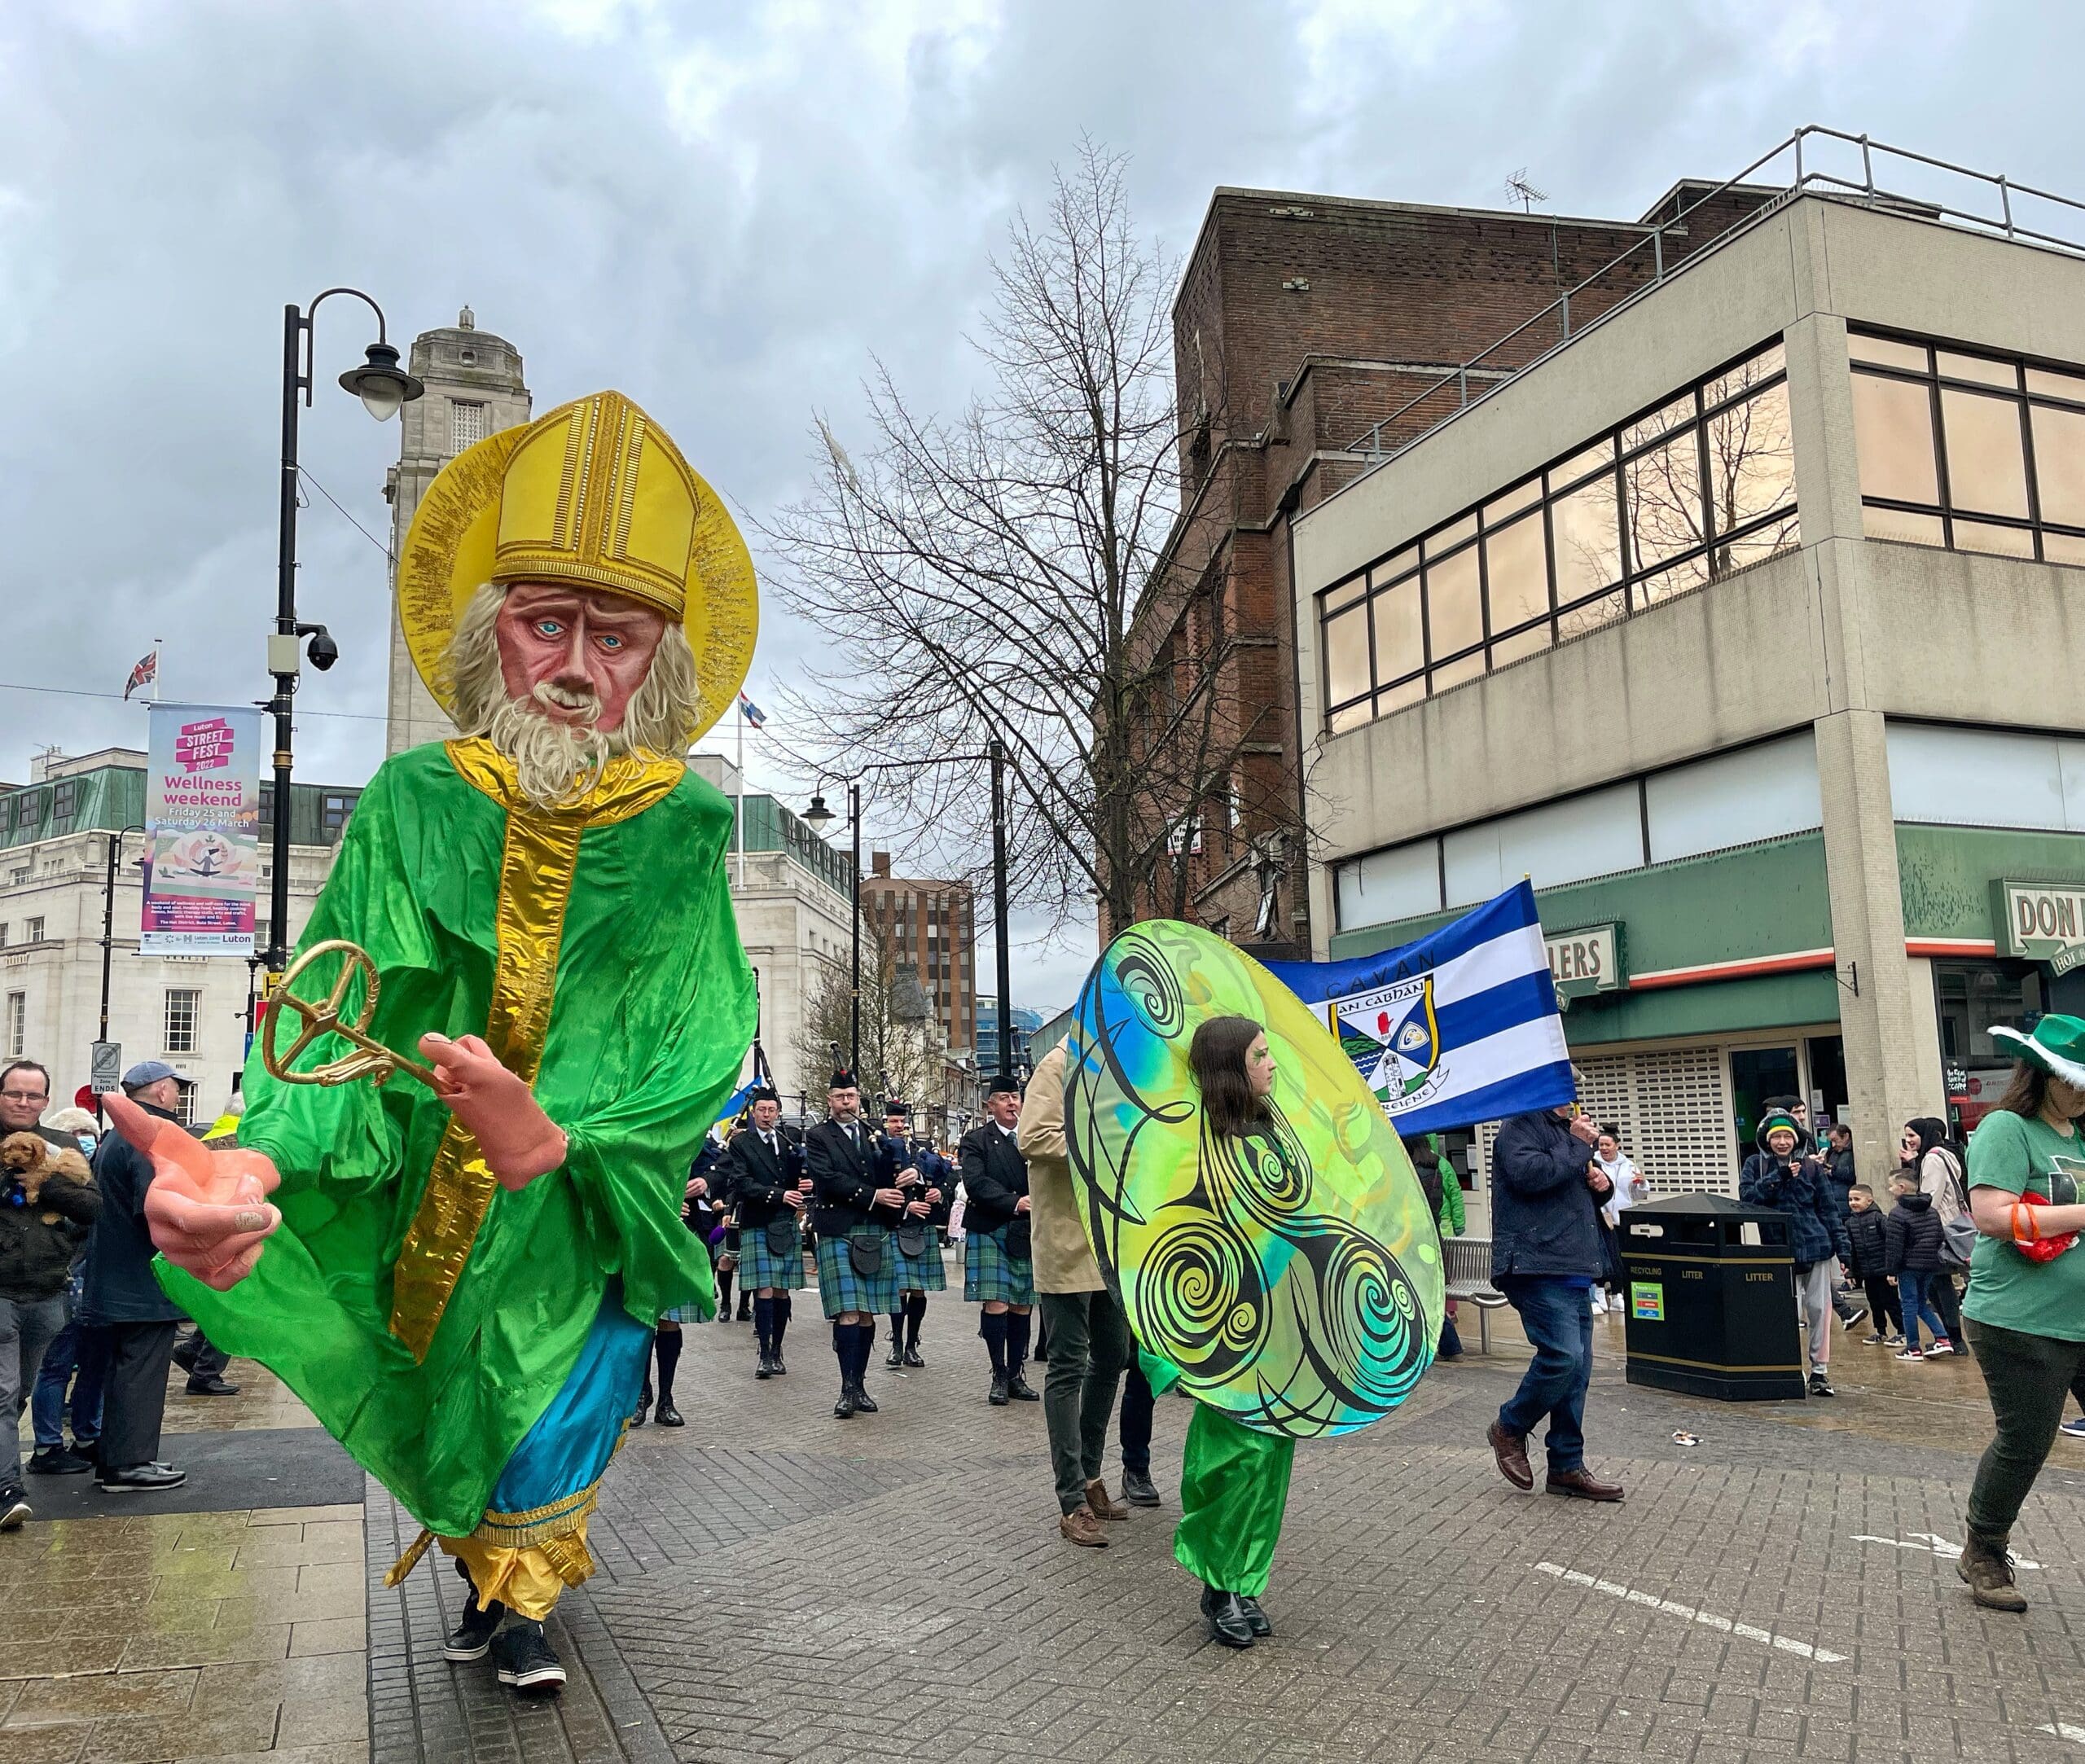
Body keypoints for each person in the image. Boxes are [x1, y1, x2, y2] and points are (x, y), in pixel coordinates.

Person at [100, 389, 757, 1696]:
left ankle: (523, 1601)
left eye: (614, 636)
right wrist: (260, 1162)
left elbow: (702, 1031)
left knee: (556, 1396)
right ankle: (485, 1577)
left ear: (659, 665)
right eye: (544, 623)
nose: (575, 663)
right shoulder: (413, 801)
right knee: (450, 1392)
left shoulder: (683, 824)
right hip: (424, 1198)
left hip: (584, 1205)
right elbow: (334, 1021)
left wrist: (565, 1139)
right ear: (492, 633)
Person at [1165, 1016, 1301, 1648]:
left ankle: (1246, 1579)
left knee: (1272, 1456)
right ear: (1231, 1068)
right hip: (1226, 1323)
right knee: (1228, 1458)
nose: (1272, 1065)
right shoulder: (1192, 1143)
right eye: (1261, 1055)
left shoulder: (1275, 1132)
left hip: (1281, 1322)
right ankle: (1217, 1585)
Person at [1953, 1014, 2085, 1612]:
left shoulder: (2080, 1140)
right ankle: (1983, 1548)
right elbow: (1992, 1216)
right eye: (2074, 1078)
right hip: (2019, 1322)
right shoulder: (2008, 1128)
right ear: (2042, 1074)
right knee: (2026, 1441)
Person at [1485, 1077, 1625, 1501]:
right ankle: (1509, 1426)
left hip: (1575, 1265)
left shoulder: (1570, 1134)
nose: (1572, 1095)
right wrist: (1581, 1148)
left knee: (1577, 1373)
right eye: (1564, 1085)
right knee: (1562, 1357)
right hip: (1535, 1264)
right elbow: (1531, 1176)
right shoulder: (1520, 1126)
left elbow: (1571, 1191)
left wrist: (1603, 1187)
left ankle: (1566, 1466)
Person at [1019, 1038, 1134, 1547]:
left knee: (1114, 1356)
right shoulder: (1057, 1064)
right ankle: (1071, 1500)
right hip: (1066, 1241)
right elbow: (1033, 1137)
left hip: (1111, 1243)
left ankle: (1089, 1474)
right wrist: (1105, 1144)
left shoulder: (1116, 1064)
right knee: (1067, 1365)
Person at [0, 1061, 103, 1522]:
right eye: (14, 1094)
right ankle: (7, 1488)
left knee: (18, 1390)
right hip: (1, 1289)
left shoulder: (62, 1147)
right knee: (2, 1392)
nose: (23, 1102)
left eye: (32, 1096)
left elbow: (93, 1208)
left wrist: (49, 1187)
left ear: (45, 1101)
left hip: (47, 1290)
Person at [86, 1062, 187, 1491]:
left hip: (117, 1276)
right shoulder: (152, 1137)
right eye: (177, 1090)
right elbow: (156, 1211)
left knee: (123, 1370)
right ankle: (130, 1464)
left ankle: (117, 1458)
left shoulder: (116, 1136)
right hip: (143, 1281)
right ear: (162, 1092)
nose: (178, 1098)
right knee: (141, 1373)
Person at [804, 1068, 904, 1419]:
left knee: (866, 1313)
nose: (847, 1103)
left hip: (874, 1229)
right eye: (840, 1097)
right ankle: (846, 1388)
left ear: (859, 1099)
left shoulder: (874, 1135)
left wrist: (910, 1174)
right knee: (847, 1311)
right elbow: (827, 1179)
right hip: (838, 1228)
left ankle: (860, 1385)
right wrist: (873, 1195)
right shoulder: (818, 1136)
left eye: (852, 1097)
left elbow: (893, 1173)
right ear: (829, 1100)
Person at [1740, 1107, 1850, 1397]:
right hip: (1777, 1248)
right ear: (1767, 1140)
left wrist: (1844, 1250)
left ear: (1795, 1138)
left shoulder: (1812, 1167)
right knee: (1785, 1311)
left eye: (1787, 1136)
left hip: (1816, 1246)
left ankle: (1820, 1371)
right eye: (1776, 1137)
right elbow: (1748, 1198)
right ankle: (1790, 1367)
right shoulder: (1755, 1165)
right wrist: (1780, 1177)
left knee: (1819, 1310)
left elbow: (1828, 1209)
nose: (1782, 1142)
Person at [26, 1105, 107, 1477]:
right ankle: (47, 1443)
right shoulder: (46, 1181)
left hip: (92, 1287)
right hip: (62, 1284)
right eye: (75, 1136)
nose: (83, 1143)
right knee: (56, 1366)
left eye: (87, 1135)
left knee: (92, 1362)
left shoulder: (89, 1180)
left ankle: (87, 1435)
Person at [959, 1076, 1039, 1406]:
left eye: (1015, 1097)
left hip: (1027, 1231)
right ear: (989, 1105)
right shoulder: (976, 1140)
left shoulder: (1034, 1139)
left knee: (1022, 1305)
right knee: (997, 1304)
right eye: (1003, 1098)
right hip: (991, 1227)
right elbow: (975, 1182)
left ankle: (1017, 1374)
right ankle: (998, 1373)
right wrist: (1014, 1201)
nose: (1011, 1103)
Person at [729, 1088, 808, 1380]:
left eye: (771, 1110)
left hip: (785, 1222)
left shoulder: (788, 1141)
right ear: (753, 1112)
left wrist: (806, 1183)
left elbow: (801, 1176)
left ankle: (777, 1350)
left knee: (781, 1289)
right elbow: (742, 1183)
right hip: (758, 1220)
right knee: (764, 1288)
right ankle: (764, 1353)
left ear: (777, 1112)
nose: (766, 1115)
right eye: (761, 1110)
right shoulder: (742, 1144)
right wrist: (779, 1195)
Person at [880, 1099, 951, 1368]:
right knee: (899, 1288)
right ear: (885, 1122)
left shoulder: (922, 1150)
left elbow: (944, 1181)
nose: (899, 1127)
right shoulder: (878, 1150)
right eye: (894, 1122)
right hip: (896, 1226)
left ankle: (912, 1345)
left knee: (919, 1290)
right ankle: (897, 1344)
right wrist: (905, 1205)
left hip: (921, 1227)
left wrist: (938, 1193)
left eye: (902, 1122)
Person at [1903, 1117, 1969, 1350]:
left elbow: (1930, 1198)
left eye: (1912, 1135)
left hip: (1937, 1228)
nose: (1908, 1140)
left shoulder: (1932, 1158)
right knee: (1939, 1283)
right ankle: (1952, 1338)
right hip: (1947, 1224)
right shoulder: (1945, 1154)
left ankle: (1954, 1339)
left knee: (1939, 1283)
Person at [1402, 1132, 1467, 1355]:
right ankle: (1450, 1347)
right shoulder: (1439, 1168)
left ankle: (1448, 1346)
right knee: (1428, 1295)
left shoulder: (1407, 1171)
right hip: (1434, 1238)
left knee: (1418, 1295)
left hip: (1411, 1241)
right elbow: (1453, 1196)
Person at [1885, 1170, 1948, 1360]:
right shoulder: (1931, 1211)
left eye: (1892, 1185)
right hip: (1929, 1265)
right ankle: (1942, 1338)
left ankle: (1913, 1347)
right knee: (1921, 1304)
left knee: (1909, 1306)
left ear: (1902, 1188)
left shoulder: (1897, 1214)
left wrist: (1891, 1271)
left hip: (1908, 1267)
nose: (1889, 1189)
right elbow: (1940, 1237)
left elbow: (1894, 1246)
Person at [1843, 1184, 1903, 1347]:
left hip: (1883, 1271)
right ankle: (1880, 1331)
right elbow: (1852, 1251)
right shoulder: (1850, 1223)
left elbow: (1891, 1244)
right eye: (1850, 1199)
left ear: (1869, 1200)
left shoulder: (1879, 1219)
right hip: (1867, 1272)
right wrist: (1851, 1273)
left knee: (1891, 1302)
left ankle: (1902, 1332)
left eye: (1857, 1199)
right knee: (1874, 1302)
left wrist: (1893, 1269)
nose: (1853, 1203)